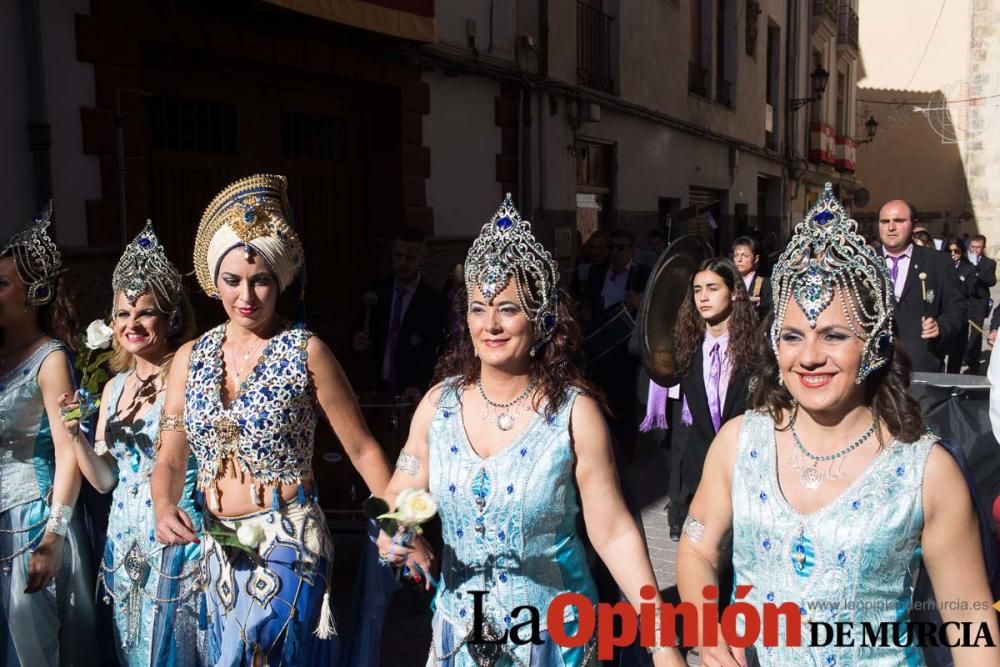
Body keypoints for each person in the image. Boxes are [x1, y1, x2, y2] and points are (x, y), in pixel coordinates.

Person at [676, 184, 1000, 665]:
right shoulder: (740, 442)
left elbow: (969, 620)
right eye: (792, 336)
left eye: (834, 335)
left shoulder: (926, 471)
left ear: (873, 342)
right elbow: (697, 550)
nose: (809, 357)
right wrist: (707, 631)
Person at [376, 195, 683, 666]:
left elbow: (614, 532)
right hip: (460, 639)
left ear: (540, 319)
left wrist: (661, 640)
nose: (491, 325)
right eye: (478, 309)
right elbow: (400, 492)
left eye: (508, 309)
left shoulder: (573, 414)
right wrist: (396, 527)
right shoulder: (438, 405)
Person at [151, 174, 394, 666]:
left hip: (291, 538)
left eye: (261, 279)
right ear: (213, 281)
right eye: (233, 280)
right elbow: (171, 455)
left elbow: (363, 448)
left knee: (253, 651)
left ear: (281, 280)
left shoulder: (308, 352)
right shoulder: (188, 358)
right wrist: (161, 504)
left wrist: (401, 524)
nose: (247, 295)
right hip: (216, 545)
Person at [60, 222, 203, 665]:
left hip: (175, 531)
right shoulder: (113, 388)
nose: (132, 324)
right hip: (122, 541)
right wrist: (75, 435)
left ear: (170, 317)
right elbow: (104, 482)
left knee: (173, 650)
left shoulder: (189, 374)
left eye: (144, 312)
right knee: (129, 649)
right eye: (123, 314)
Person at [0, 203, 96, 666]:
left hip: (32, 519)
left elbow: (67, 452)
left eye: (1, 284)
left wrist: (53, 536)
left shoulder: (51, 358)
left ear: (32, 292)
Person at [664, 258, 755, 542]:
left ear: (734, 292)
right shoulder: (687, 347)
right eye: (697, 290)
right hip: (700, 473)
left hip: (745, 474)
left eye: (713, 288)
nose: (703, 297)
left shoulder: (756, 347)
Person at [352, 226, 448, 402]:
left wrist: (419, 385)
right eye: (398, 256)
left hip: (411, 392)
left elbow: (437, 352)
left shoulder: (435, 302)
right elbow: (356, 332)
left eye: (410, 258)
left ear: (422, 260)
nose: (402, 263)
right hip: (375, 388)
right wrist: (356, 341)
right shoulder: (377, 291)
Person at [582, 229, 651, 459]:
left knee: (624, 401)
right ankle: (602, 448)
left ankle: (625, 451)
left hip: (626, 347)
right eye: (612, 247)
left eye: (620, 247)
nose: (615, 252)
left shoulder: (643, 274)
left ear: (632, 250)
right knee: (600, 397)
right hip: (601, 346)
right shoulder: (597, 272)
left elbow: (656, 311)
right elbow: (588, 301)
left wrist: (639, 303)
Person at [877, 200, 966, 372]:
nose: (891, 227)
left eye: (899, 221)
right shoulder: (862, 262)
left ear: (913, 225)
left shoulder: (938, 262)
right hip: (875, 369)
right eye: (885, 221)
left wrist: (941, 327)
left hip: (922, 365)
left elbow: (957, 306)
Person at [943, 238, 977, 374]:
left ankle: (952, 381)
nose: (953, 254)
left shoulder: (969, 268)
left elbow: (969, 290)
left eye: (956, 251)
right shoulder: (941, 266)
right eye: (950, 251)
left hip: (960, 316)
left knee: (956, 353)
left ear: (962, 252)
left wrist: (955, 280)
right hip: (943, 314)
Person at [964, 234, 996, 373]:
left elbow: (991, 281)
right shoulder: (964, 260)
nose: (974, 250)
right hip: (965, 299)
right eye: (972, 247)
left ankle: (973, 357)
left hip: (979, 301)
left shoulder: (989, 263)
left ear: (983, 248)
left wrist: (977, 269)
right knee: (961, 330)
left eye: (978, 247)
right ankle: (963, 353)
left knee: (976, 332)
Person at [731, 235, 772, 320]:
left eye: (745, 256)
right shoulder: (729, 282)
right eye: (736, 255)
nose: (739, 260)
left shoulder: (766, 284)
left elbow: (773, 307)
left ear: (756, 259)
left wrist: (758, 302)